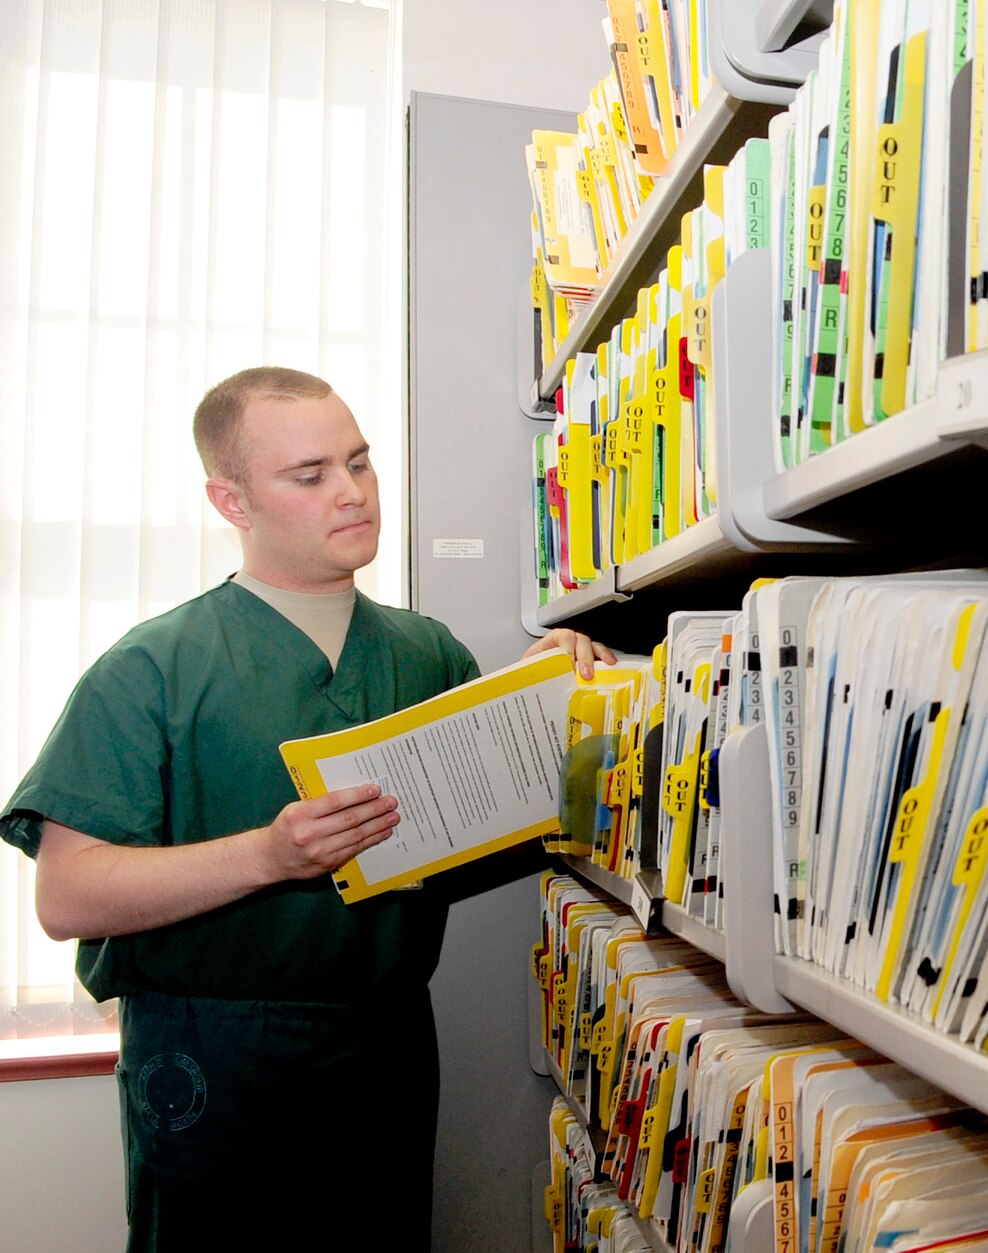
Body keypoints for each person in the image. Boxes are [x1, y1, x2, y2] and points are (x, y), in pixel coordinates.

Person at [0, 367, 613, 1252]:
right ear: (231, 500)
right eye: (311, 474)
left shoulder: (423, 651)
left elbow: (504, 829)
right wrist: (269, 855)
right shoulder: (152, 668)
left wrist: (562, 699)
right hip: (214, 1053)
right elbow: (69, 897)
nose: (354, 493)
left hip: (386, 1046)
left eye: (360, 462)